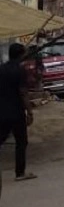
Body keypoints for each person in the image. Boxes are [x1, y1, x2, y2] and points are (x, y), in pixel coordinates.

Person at [0, 43, 37, 182]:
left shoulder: (1, 69)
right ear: (21, 55)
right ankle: (20, 173)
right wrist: (30, 112)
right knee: (21, 142)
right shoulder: (20, 70)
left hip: (2, 112)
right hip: (16, 112)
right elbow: (23, 93)